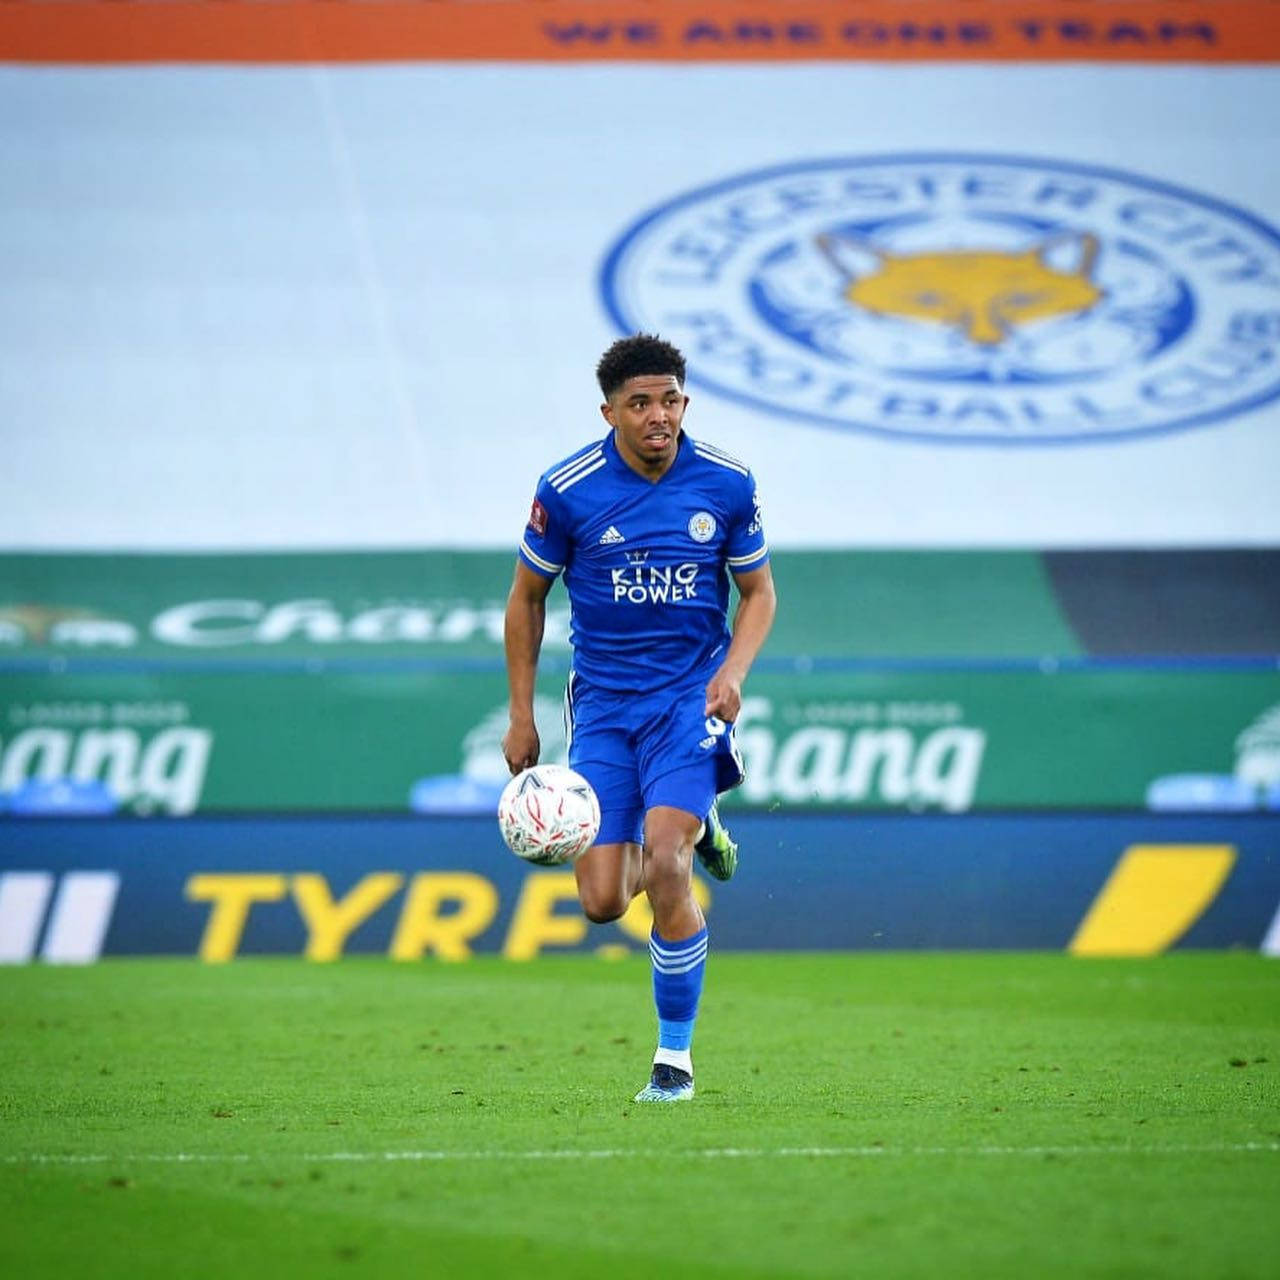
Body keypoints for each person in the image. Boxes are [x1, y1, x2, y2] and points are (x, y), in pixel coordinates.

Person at [502, 333, 776, 1102]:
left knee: (665, 861)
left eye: (671, 400)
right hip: (605, 707)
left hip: (688, 700)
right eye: (641, 404)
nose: (660, 416)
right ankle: (704, 824)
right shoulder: (567, 490)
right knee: (600, 902)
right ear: (610, 412)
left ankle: (674, 1062)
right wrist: (521, 716)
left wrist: (733, 673)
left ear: (685, 401)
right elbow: (526, 600)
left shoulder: (725, 482)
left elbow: (759, 594)